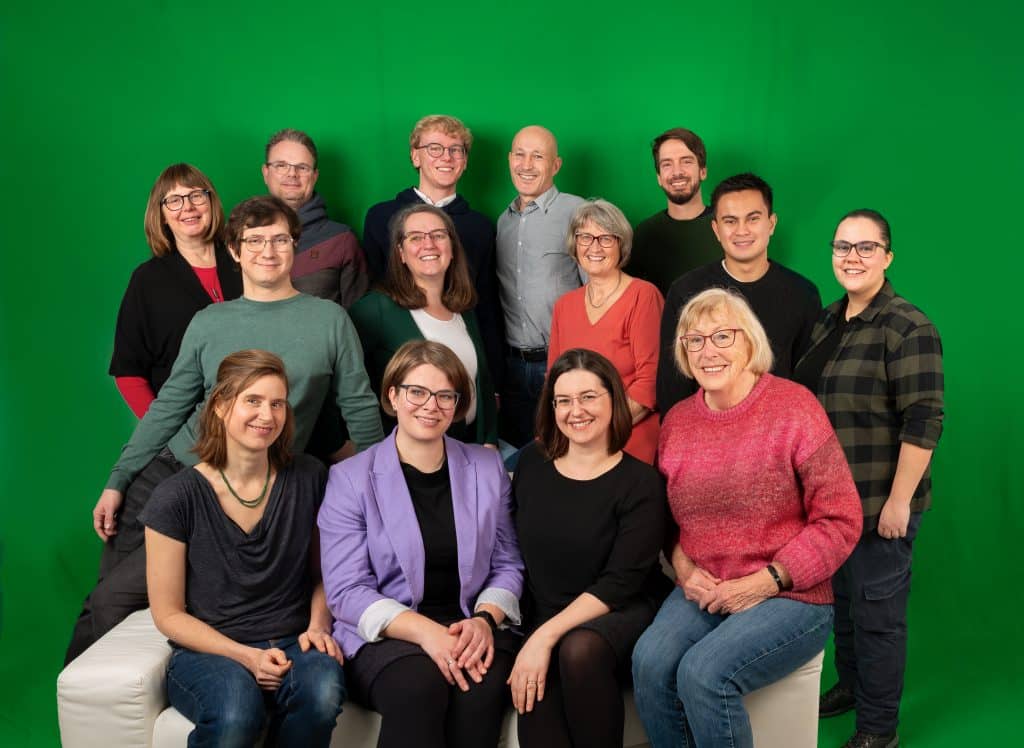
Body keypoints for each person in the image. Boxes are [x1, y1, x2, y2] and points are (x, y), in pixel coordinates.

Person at [65, 196, 384, 664]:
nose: (268, 251)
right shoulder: (209, 322)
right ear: (234, 251)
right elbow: (170, 405)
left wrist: (377, 497)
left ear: (295, 246)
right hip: (180, 473)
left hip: (262, 485)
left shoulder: (329, 320)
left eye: (280, 239)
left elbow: (359, 408)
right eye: (254, 241)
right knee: (108, 599)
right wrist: (119, 479)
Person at [632, 288, 862, 748]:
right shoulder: (677, 422)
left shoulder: (794, 408)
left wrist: (766, 581)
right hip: (704, 585)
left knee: (703, 673)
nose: (707, 351)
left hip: (791, 592)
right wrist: (683, 569)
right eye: (693, 341)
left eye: (721, 336)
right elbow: (669, 526)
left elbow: (840, 518)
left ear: (749, 340)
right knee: (649, 662)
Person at [319, 340, 523, 748]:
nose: (431, 405)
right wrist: (427, 633)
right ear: (392, 396)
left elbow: (507, 563)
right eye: (417, 392)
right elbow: (346, 591)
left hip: (472, 626)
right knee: (418, 687)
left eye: (445, 395)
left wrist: (484, 620)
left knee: (478, 690)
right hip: (389, 633)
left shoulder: (486, 467)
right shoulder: (351, 478)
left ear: (457, 404)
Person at [142, 349, 345, 747]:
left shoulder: (310, 477)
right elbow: (167, 613)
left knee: (322, 693)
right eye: (252, 401)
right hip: (209, 650)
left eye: (277, 403)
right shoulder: (175, 497)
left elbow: (325, 574)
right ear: (220, 406)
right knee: (237, 713)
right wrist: (246, 656)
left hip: (294, 639)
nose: (267, 416)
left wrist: (318, 625)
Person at [794, 210, 943, 748]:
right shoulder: (828, 320)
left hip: (882, 501)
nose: (851, 257)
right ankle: (852, 687)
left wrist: (900, 501)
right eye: (841, 247)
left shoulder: (908, 326)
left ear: (887, 256)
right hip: (829, 504)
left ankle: (879, 729)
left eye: (865, 247)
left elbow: (924, 418)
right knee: (844, 609)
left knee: (878, 618)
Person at [510, 348, 668, 747]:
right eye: (563, 400)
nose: (574, 411)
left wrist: (544, 637)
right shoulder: (530, 464)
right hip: (544, 613)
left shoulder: (641, 483)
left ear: (613, 400)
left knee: (577, 649)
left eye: (588, 397)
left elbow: (619, 583)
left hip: (617, 613)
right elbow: (510, 549)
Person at [655, 172, 821, 416]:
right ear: (716, 229)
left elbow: (807, 383)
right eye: (730, 221)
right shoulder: (685, 292)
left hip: (778, 435)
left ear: (771, 224)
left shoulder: (803, 293)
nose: (742, 230)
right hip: (705, 436)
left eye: (753, 219)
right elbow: (672, 386)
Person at [361, 115, 503, 385]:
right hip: (400, 357)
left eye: (455, 150)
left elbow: (486, 305)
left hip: (462, 353)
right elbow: (372, 291)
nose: (446, 157)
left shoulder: (480, 227)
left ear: (465, 161)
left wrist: (493, 380)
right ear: (416, 156)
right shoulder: (381, 218)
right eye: (435, 148)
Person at [349, 204, 498, 446]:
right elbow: (348, 389)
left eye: (438, 235)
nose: (429, 244)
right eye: (415, 237)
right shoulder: (374, 310)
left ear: (452, 249)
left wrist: (489, 440)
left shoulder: (463, 309)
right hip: (409, 457)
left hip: (470, 451)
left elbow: (482, 382)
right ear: (401, 253)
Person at [110, 163, 242, 418]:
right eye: (174, 200)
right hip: (186, 430)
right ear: (161, 214)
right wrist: (164, 435)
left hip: (254, 422)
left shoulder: (245, 262)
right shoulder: (147, 281)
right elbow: (128, 373)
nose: (188, 207)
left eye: (196, 195)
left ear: (211, 201)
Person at [547, 200, 664, 464]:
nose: (594, 247)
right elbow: (553, 381)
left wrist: (597, 433)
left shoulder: (643, 296)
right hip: (574, 435)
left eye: (605, 238)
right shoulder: (564, 306)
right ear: (575, 244)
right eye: (585, 237)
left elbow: (650, 382)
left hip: (628, 436)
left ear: (621, 244)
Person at [497, 125, 584, 447]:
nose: (526, 164)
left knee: (565, 455)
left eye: (538, 156)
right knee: (516, 462)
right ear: (509, 160)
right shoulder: (502, 221)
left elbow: (599, 294)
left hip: (560, 362)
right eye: (519, 154)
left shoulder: (578, 213)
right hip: (512, 368)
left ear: (556, 165)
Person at [262, 128, 368, 307]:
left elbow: (360, 321)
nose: (292, 174)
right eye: (281, 165)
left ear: (315, 176)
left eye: (302, 167)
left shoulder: (341, 241)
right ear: (266, 172)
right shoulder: (242, 236)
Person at [630, 128, 722, 295]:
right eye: (667, 164)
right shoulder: (644, 234)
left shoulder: (727, 227)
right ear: (659, 177)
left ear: (703, 171)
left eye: (686, 161)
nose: (677, 172)